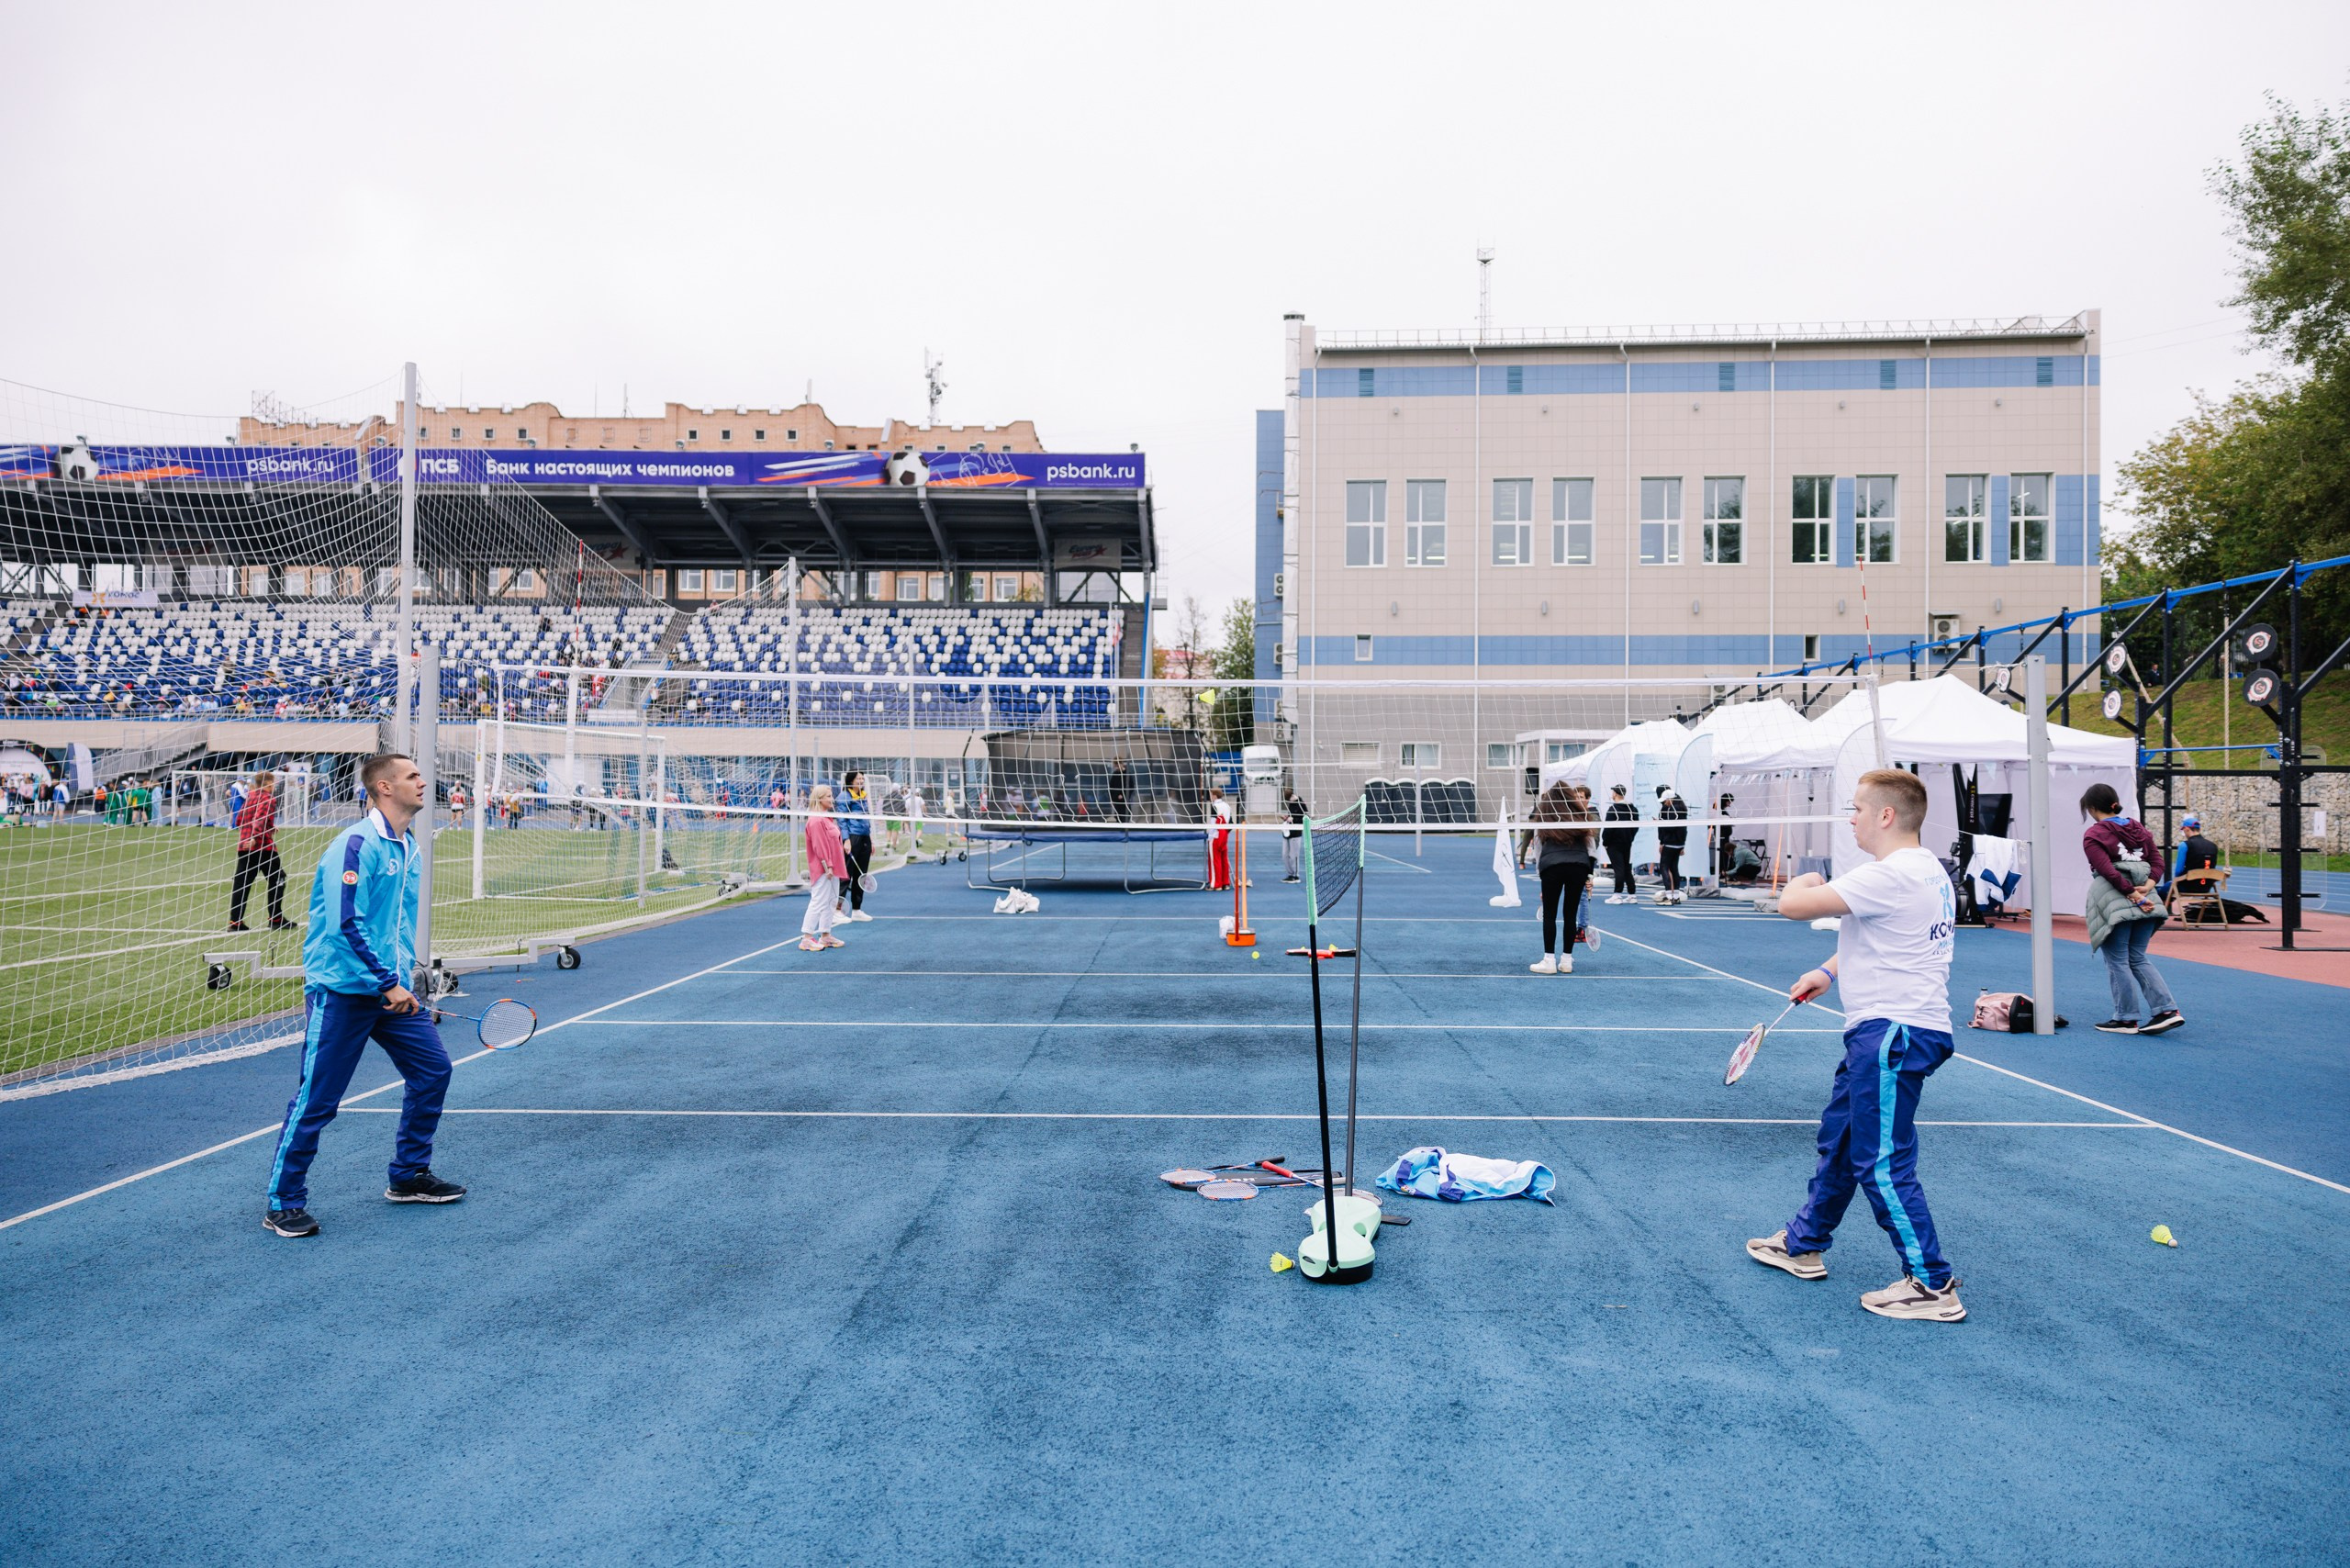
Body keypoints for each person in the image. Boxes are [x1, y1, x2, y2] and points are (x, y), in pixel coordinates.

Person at [1746, 768, 1965, 1322]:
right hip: (1893, 1030)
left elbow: (1792, 905)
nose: (1851, 820)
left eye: (1857, 810)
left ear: (1886, 815)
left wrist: (1800, 879)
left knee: (1882, 1162)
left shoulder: (1890, 874)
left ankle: (1932, 1285)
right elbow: (1887, 936)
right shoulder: (1926, 871)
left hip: (1892, 1033)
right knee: (1843, 1140)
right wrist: (1827, 971)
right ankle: (1803, 1243)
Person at [262, 752, 464, 1238]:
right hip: (343, 992)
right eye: (413, 775)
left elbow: (395, 924)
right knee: (318, 1100)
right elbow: (343, 924)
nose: (423, 781)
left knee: (433, 1071)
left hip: (390, 990)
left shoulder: (408, 845)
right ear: (385, 787)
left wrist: (402, 979)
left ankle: (408, 1175)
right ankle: (283, 1202)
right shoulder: (355, 844)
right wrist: (386, 982)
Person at [2081, 782, 2181, 1036]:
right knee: (2137, 957)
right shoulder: (2138, 829)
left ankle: (2126, 1018)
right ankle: (2166, 1010)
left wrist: (2132, 894)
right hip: (2148, 900)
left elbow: (2107, 870)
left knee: (2117, 961)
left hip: (2116, 901)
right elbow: (2157, 862)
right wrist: (2147, 886)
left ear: (2092, 808)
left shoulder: (2094, 834)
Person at [1519, 780, 1597, 974]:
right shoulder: (1580, 815)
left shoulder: (1544, 816)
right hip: (1578, 866)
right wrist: (1589, 874)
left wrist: (1541, 874)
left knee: (1550, 914)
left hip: (1552, 866)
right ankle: (1567, 961)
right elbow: (1591, 847)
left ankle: (1549, 961)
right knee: (1570, 914)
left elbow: (1538, 847)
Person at [228, 771, 292, 933]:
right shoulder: (268, 798)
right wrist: (256, 836)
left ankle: (235, 922)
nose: (275, 785)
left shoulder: (250, 797)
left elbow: (239, 820)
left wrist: (269, 827)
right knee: (278, 878)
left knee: (242, 884)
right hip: (262, 846)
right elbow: (260, 819)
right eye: (274, 782)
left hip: (244, 846)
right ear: (268, 783)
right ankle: (276, 918)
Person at [801, 783, 848, 952]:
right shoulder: (816, 820)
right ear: (819, 799)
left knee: (831, 901)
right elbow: (819, 846)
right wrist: (827, 865)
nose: (832, 799)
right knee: (818, 901)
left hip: (833, 867)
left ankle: (826, 935)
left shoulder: (827, 817)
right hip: (824, 869)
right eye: (828, 796)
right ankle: (807, 938)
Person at [836, 770, 875, 922]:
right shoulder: (844, 797)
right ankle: (837, 909)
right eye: (858, 778)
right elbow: (842, 820)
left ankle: (857, 909)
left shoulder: (863, 796)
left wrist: (870, 840)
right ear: (851, 780)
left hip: (865, 837)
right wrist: (846, 840)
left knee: (861, 875)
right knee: (846, 874)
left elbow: (866, 819)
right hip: (852, 837)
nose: (861, 780)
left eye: (862, 778)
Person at [1601, 785, 1639, 902]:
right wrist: (1630, 837)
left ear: (1615, 794)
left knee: (1619, 868)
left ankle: (1617, 895)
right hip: (1627, 842)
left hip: (1614, 843)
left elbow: (1608, 828)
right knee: (1626, 867)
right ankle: (1632, 895)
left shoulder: (1613, 809)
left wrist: (1605, 842)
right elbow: (1636, 826)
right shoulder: (1633, 809)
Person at [1653, 787, 1688, 904]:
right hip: (1678, 844)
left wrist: (1659, 823)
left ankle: (1668, 896)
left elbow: (1671, 827)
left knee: (1664, 867)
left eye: (1665, 801)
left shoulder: (1672, 809)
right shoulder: (1682, 808)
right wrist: (1683, 844)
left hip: (1670, 843)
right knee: (1674, 868)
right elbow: (1683, 829)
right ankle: (1676, 896)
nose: (1664, 803)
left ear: (1670, 799)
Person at [1207, 787, 1232, 891]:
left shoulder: (1215, 806)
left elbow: (1213, 823)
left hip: (1216, 835)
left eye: (1211, 795)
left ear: (1214, 796)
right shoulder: (1227, 806)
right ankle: (1225, 883)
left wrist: (1210, 836)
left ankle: (1216, 884)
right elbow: (1230, 822)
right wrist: (1225, 833)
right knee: (1224, 859)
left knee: (1215, 861)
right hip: (1224, 834)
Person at [1281, 785, 1306, 882]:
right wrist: (1286, 818)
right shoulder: (1291, 804)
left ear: (1292, 796)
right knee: (1285, 855)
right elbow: (1290, 815)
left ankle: (1296, 875)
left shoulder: (1301, 803)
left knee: (1293, 855)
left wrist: (1294, 819)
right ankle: (1290, 874)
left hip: (1296, 833)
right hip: (1288, 832)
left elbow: (1305, 818)